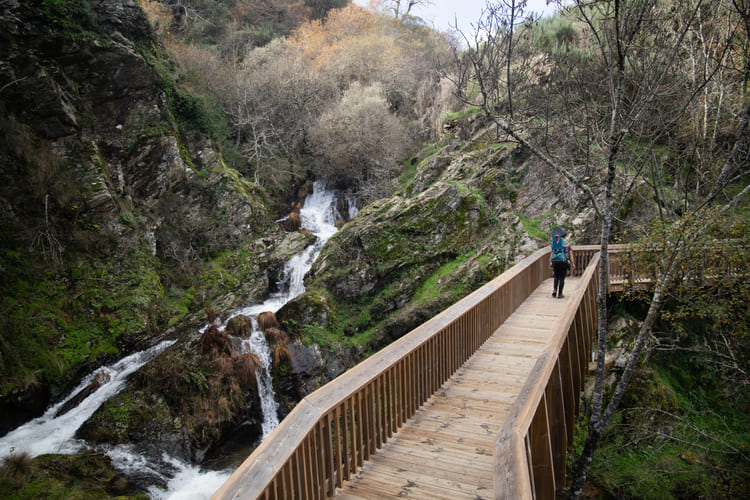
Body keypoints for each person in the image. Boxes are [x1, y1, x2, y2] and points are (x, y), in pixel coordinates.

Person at [551, 234, 575, 298]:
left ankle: (555, 290)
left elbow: (552, 253)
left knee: (556, 276)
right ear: (565, 236)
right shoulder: (567, 244)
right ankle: (560, 294)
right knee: (562, 277)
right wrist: (572, 263)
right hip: (563, 262)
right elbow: (571, 255)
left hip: (555, 262)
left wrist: (551, 263)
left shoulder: (555, 244)